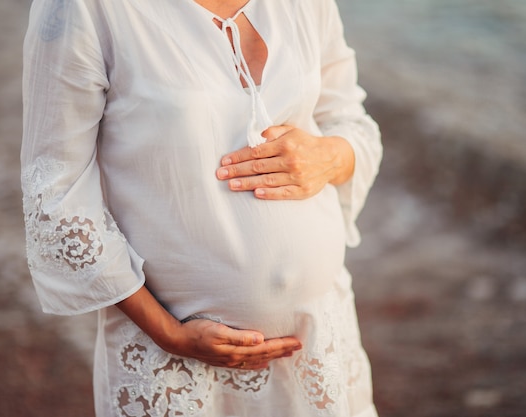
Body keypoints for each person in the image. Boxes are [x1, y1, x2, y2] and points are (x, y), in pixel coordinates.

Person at [21, 0, 383, 415]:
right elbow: (53, 187)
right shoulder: (85, 8)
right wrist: (169, 334)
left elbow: (350, 120)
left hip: (320, 341)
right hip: (175, 365)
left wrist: (330, 156)